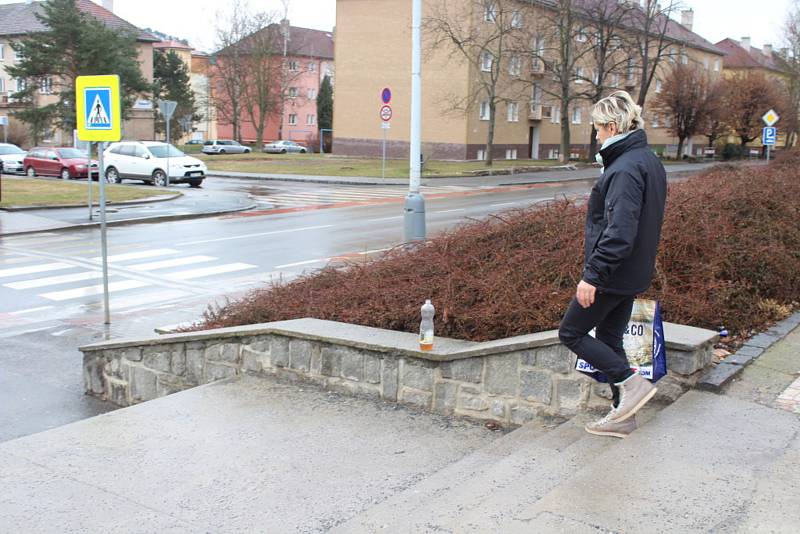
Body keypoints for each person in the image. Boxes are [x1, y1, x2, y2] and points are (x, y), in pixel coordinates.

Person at [558, 90, 667, 438]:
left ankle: (630, 384)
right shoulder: (647, 160)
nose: (596, 135)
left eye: (597, 128)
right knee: (608, 337)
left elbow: (619, 231)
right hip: (632, 272)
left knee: (571, 332)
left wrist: (592, 275)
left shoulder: (623, 169)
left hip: (612, 272)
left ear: (610, 125)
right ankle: (623, 416)